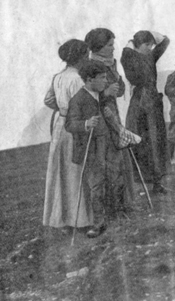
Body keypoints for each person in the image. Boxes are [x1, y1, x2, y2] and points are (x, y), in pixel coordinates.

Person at [43, 39, 93, 234]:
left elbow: (48, 100)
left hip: (60, 126)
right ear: (80, 56)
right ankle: (80, 220)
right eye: (86, 55)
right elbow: (86, 105)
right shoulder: (78, 79)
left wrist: (63, 108)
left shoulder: (58, 77)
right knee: (76, 169)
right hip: (75, 127)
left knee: (60, 171)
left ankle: (62, 220)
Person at [85, 28, 137, 214]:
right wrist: (106, 93)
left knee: (117, 162)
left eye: (113, 44)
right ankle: (112, 208)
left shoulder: (110, 64)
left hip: (112, 116)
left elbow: (121, 90)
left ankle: (121, 205)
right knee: (107, 164)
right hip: (99, 120)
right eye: (109, 45)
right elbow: (84, 97)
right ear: (98, 47)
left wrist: (117, 85)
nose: (113, 48)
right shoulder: (88, 66)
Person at [65, 61, 117, 238]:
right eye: (102, 78)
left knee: (110, 177)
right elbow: (70, 124)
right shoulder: (78, 99)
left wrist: (107, 114)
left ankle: (111, 214)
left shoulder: (99, 94)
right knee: (96, 185)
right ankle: (98, 223)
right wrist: (86, 124)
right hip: (90, 147)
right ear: (89, 79)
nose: (105, 81)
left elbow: (103, 110)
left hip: (106, 142)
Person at [121, 30, 170, 194]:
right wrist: (131, 42)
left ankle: (157, 183)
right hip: (139, 103)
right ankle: (138, 184)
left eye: (151, 44)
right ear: (136, 45)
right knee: (141, 142)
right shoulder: (128, 56)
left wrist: (151, 34)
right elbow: (126, 51)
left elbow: (165, 41)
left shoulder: (150, 56)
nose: (150, 48)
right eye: (146, 44)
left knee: (156, 142)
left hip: (153, 103)